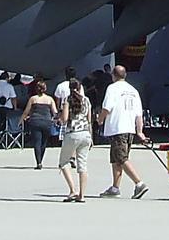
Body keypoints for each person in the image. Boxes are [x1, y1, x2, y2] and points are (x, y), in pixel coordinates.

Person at [97, 65, 149, 199]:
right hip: (129, 129)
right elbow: (139, 114)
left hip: (117, 128)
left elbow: (107, 107)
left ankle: (139, 183)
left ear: (113, 76)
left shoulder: (112, 88)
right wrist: (140, 131)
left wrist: (100, 119)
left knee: (121, 158)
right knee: (116, 159)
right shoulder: (133, 90)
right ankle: (115, 188)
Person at [59, 80, 93, 201]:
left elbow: (65, 118)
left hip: (72, 133)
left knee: (64, 162)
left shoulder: (67, 100)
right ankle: (82, 195)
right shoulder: (86, 100)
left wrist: (59, 118)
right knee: (82, 165)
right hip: (85, 133)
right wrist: (91, 136)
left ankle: (73, 190)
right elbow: (89, 120)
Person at [21, 79, 59, 169]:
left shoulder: (33, 99)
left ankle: (38, 162)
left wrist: (21, 120)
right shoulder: (50, 99)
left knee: (37, 142)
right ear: (45, 89)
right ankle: (41, 159)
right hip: (47, 122)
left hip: (35, 121)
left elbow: (26, 111)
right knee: (44, 142)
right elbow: (55, 112)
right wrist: (57, 119)